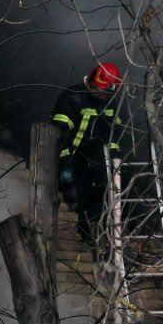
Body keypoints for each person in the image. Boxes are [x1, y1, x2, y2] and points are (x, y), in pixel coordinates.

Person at [51, 61, 124, 244]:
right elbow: (59, 130)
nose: (100, 95)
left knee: (96, 195)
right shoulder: (72, 97)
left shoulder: (109, 104)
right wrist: (64, 156)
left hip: (89, 159)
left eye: (105, 92)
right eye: (97, 90)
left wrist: (115, 158)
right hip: (66, 156)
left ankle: (88, 238)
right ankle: (74, 235)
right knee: (71, 192)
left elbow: (112, 133)